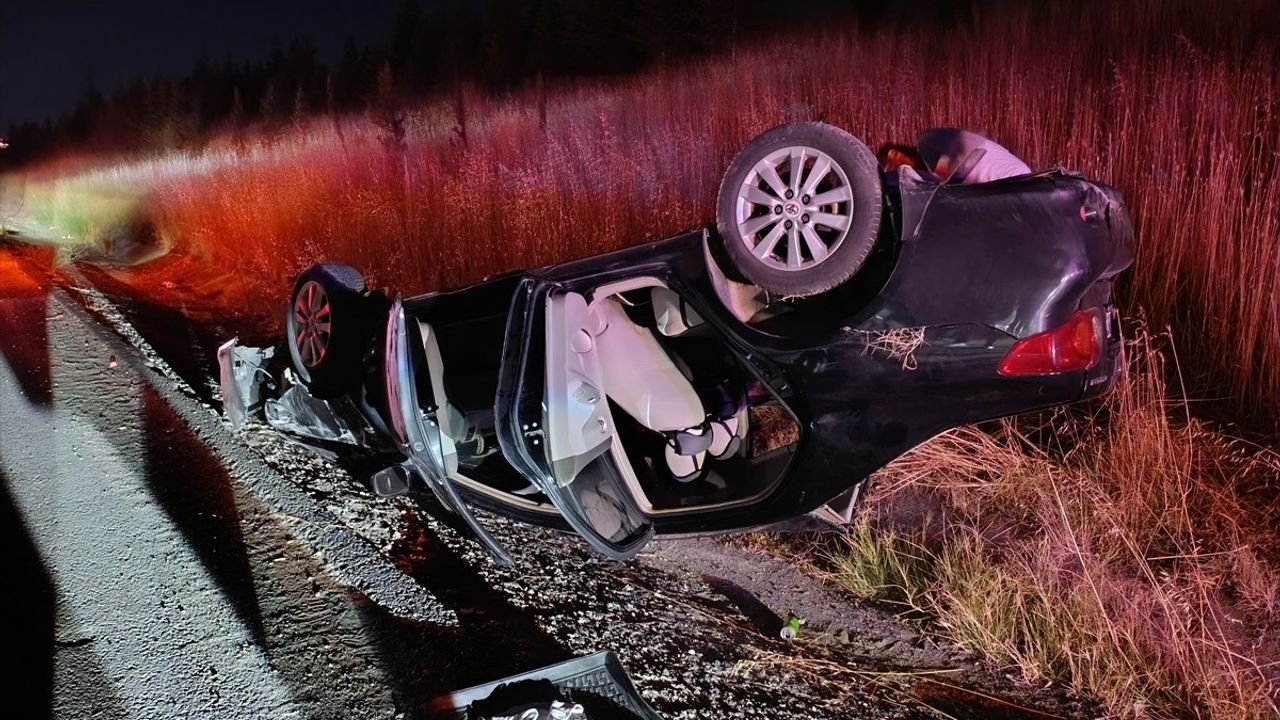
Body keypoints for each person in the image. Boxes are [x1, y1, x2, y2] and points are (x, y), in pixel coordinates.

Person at [916, 127, 1030, 184]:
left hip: (1012, 186)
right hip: (1026, 180)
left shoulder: (954, 155)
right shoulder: (968, 139)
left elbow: (941, 181)